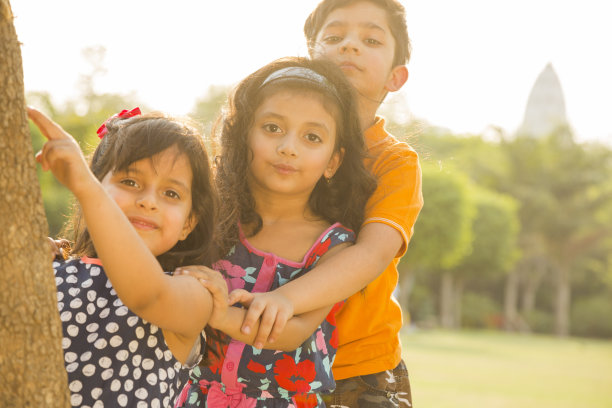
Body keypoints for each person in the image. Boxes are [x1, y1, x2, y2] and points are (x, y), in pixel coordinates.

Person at [188, 1, 424, 406]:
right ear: (311, 55)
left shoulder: (394, 162)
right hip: (248, 359)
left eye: (370, 39)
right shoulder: (269, 148)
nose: (349, 47)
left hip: (355, 363)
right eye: (334, 37)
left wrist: (286, 300)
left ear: (395, 77)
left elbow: (371, 254)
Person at [173, 56, 377, 407]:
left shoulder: (333, 248)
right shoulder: (208, 217)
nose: (288, 147)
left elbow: (293, 333)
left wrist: (221, 314)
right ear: (243, 135)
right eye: (272, 128)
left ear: (333, 162)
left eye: (312, 137)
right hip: (188, 397)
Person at [29, 107, 228, 407]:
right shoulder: (55, 270)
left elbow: (147, 296)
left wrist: (85, 186)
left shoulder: (193, 291)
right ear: (96, 186)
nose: (148, 201)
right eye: (130, 182)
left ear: (189, 223)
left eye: (171, 194)